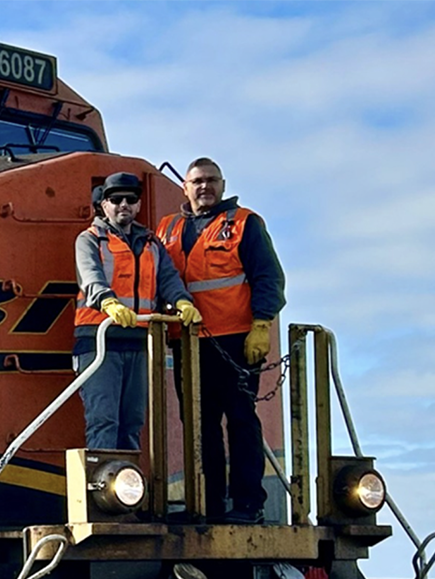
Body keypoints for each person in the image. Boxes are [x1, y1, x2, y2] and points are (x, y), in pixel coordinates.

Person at [157, 158, 286, 524]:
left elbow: (269, 278)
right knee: (200, 425)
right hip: (188, 342)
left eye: (211, 180)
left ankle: (248, 504)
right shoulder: (167, 228)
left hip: (235, 343)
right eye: (197, 181)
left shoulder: (245, 224)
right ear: (185, 186)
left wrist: (261, 325)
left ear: (223, 184)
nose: (204, 187)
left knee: (242, 420)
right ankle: (209, 505)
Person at [74, 172, 201, 451]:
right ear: (103, 204)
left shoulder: (152, 244)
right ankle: (100, 491)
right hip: (99, 341)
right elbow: (90, 276)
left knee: (132, 421)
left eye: (130, 199)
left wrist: (183, 301)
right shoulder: (89, 239)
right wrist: (108, 302)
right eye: (115, 199)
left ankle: (125, 490)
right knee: (103, 420)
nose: (123, 205)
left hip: (140, 342)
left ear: (139, 205)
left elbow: (168, 278)